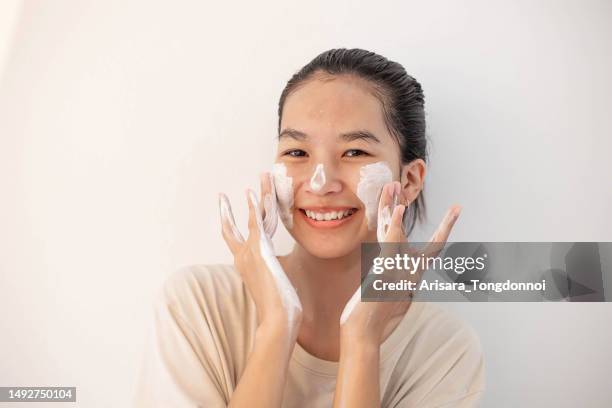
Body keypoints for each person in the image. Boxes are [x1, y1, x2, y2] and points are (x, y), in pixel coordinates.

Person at [134, 48, 485, 407]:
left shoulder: (444, 350)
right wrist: (275, 326)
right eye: (297, 153)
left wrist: (362, 339)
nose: (320, 183)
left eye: (355, 153)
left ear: (410, 181)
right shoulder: (197, 306)